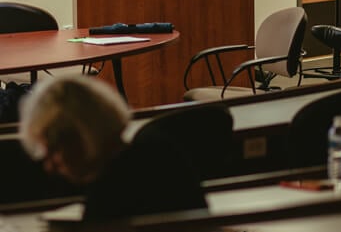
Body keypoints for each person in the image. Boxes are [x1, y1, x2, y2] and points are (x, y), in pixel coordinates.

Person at [19, 75, 207, 222]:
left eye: (54, 150)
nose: (49, 166)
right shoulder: (157, 150)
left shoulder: (110, 192)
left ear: (83, 135)